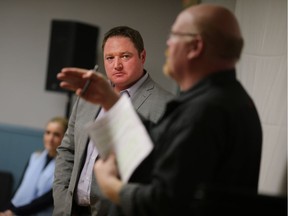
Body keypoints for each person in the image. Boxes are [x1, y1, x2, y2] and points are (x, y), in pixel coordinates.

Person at [56, 4, 263, 216]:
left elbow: (165, 201)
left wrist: (113, 188)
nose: (168, 44)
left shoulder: (205, 110)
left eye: (174, 35)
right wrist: (111, 101)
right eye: (110, 57)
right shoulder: (231, 99)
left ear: (196, 46)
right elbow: (157, 154)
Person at [52, 26, 174, 216]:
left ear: (142, 56)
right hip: (70, 210)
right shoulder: (87, 94)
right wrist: (61, 202)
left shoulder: (167, 105)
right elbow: (67, 150)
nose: (117, 65)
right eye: (110, 58)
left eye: (125, 56)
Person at [0, 116, 68, 216]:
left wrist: (14, 212)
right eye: (48, 133)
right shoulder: (34, 157)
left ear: (65, 138)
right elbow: (20, 189)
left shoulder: (66, 167)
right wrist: (5, 210)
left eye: (56, 134)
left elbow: (48, 199)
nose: (50, 138)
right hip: (16, 210)